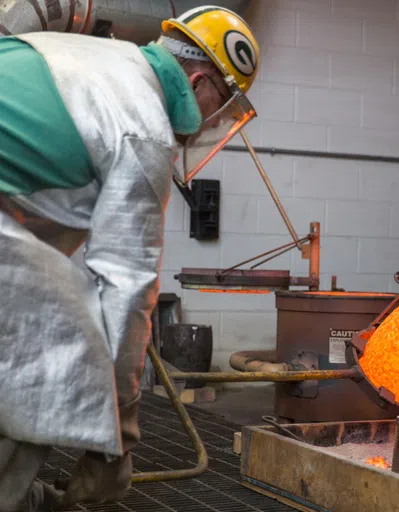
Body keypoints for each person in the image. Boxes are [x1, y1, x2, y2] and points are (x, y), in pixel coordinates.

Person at [0, 6, 260, 510]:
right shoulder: (143, 125)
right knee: (65, 348)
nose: (216, 124)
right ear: (201, 81)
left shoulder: (95, 58)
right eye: (223, 109)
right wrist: (114, 443)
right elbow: (125, 294)